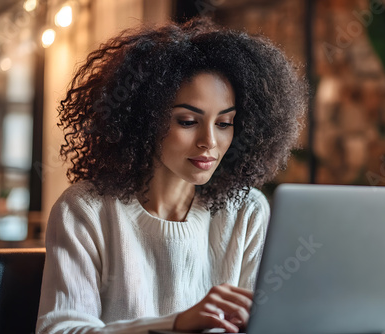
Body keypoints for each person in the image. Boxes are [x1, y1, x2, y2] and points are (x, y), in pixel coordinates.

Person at [36, 16, 307, 334]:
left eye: (223, 123)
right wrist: (176, 324)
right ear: (144, 121)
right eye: (188, 121)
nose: (209, 142)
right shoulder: (85, 210)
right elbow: (59, 329)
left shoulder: (246, 211)